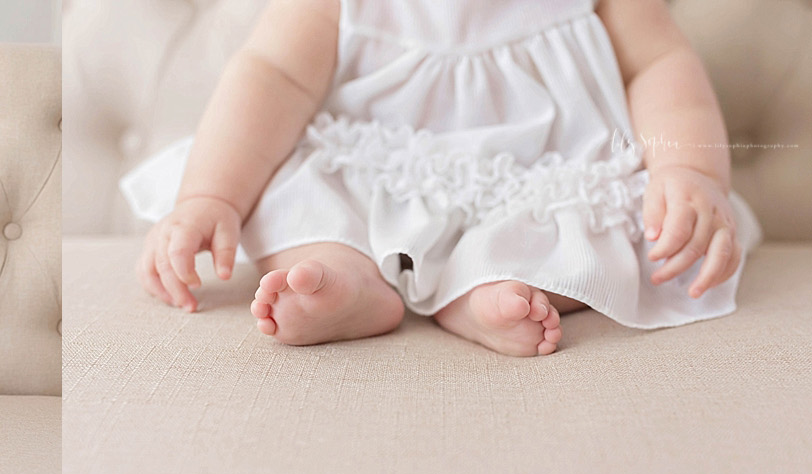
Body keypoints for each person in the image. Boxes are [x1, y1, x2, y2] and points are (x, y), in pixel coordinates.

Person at [122, 0, 760, 356]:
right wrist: (211, 195)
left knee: (615, 226)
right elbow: (270, 76)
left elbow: (660, 64)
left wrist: (688, 169)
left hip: (537, 180)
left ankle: (486, 292)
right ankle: (341, 274)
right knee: (290, 190)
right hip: (376, 171)